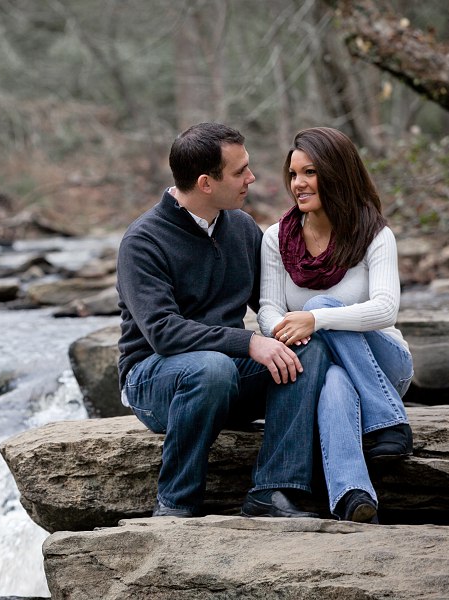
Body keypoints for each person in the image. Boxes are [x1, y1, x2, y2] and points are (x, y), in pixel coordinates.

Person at [116, 122, 331, 519]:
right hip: (155, 381)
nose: (252, 178)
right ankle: (176, 504)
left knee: (308, 348)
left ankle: (271, 490)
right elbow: (163, 332)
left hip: (227, 378)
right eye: (239, 172)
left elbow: (272, 305)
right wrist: (248, 342)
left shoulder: (242, 228)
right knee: (211, 368)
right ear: (206, 183)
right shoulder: (143, 241)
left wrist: (313, 318)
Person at [256, 126, 415, 524]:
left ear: (337, 173)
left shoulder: (374, 232)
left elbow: (384, 311)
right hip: (326, 369)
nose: (299, 184)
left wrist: (317, 318)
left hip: (384, 365)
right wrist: (287, 330)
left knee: (324, 304)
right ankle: (353, 497)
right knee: (333, 385)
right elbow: (268, 309)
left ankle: (387, 418)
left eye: (310, 172)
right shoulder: (277, 238)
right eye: (294, 174)